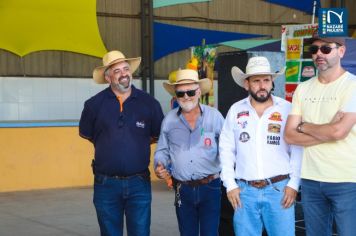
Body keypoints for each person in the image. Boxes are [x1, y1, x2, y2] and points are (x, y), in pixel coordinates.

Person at [79, 50, 164, 236]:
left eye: (126, 68)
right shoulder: (93, 105)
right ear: (108, 77)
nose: (124, 73)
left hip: (139, 183)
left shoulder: (150, 104)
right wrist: (113, 145)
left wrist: (133, 146)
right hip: (105, 184)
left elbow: (156, 136)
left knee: (140, 232)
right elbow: (92, 135)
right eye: (117, 71)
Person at [219, 56, 302, 236]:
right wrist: (230, 184)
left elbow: (297, 148)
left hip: (280, 189)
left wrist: (294, 184)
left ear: (272, 82)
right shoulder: (235, 110)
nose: (262, 85)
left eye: (266, 80)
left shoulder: (288, 109)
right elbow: (226, 150)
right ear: (246, 84)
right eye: (256, 81)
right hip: (244, 192)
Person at [284, 34, 356, 236]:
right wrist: (328, 129)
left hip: (346, 180)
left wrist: (304, 126)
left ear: (341, 51)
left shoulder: (353, 85)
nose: (318, 54)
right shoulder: (303, 89)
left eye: (326, 49)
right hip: (310, 179)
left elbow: (339, 131)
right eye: (314, 50)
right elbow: (289, 135)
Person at [154, 69, 224, 236]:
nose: (186, 97)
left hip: (211, 187)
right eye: (181, 93)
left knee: (210, 233)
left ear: (199, 92)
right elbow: (162, 150)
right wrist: (159, 164)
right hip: (182, 189)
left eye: (190, 92)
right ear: (176, 96)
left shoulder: (215, 117)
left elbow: (228, 150)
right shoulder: (169, 120)